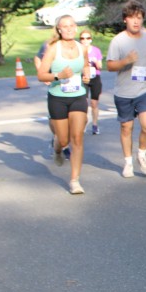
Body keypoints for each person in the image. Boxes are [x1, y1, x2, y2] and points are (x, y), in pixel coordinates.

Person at [37, 14, 90, 194]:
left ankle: (75, 180)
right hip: (57, 97)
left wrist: (86, 74)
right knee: (64, 139)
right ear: (59, 29)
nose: (68, 29)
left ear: (76, 27)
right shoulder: (53, 48)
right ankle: (58, 149)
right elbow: (41, 74)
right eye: (64, 26)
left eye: (71, 26)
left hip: (78, 96)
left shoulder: (82, 48)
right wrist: (58, 76)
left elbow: (86, 65)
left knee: (77, 138)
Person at [106, 0, 146, 178]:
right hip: (124, 92)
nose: (136, 21)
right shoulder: (118, 41)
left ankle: (141, 154)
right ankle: (128, 162)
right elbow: (110, 66)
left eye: (139, 18)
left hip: (144, 90)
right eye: (132, 17)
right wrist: (125, 61)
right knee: (126, 128)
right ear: (125, 19)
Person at [79, 30, 103, 135]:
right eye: (82, 38)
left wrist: (94, 62)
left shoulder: (96, 50)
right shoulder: (78, 50)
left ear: (91, 39)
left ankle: (95, 125)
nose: (85, 40)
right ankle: (83, 123)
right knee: (83, 103)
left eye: (87, 38)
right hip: (83, 77)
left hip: (94, 77)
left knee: (94, 103)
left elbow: (100, 66)